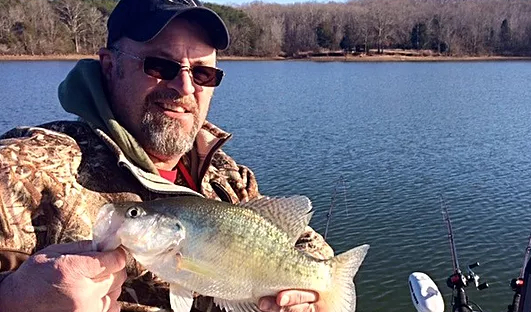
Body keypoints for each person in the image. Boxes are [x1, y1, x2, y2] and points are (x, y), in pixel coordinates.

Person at [0, 0, 335, 311]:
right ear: (109, 66)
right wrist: (12, 299)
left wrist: (312, 297)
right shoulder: (21, 168)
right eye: (161, 65)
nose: (186, 88)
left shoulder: (227, 178)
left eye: (203, 73)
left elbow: (305, 248)